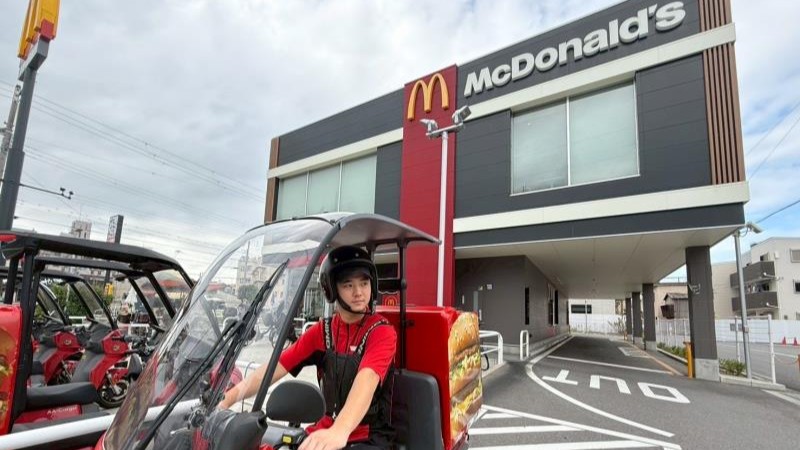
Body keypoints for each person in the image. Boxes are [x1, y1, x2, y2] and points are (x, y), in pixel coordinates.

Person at [218, 246, 397, 450]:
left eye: (364, 283)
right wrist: (225, 401)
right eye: (348, 285)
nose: (358, 293)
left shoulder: (381, 332)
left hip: (367, 438)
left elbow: (367, 380)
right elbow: (274, 368)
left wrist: (340, 430)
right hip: (324, 432)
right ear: (331, 288)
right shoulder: (323, 331)